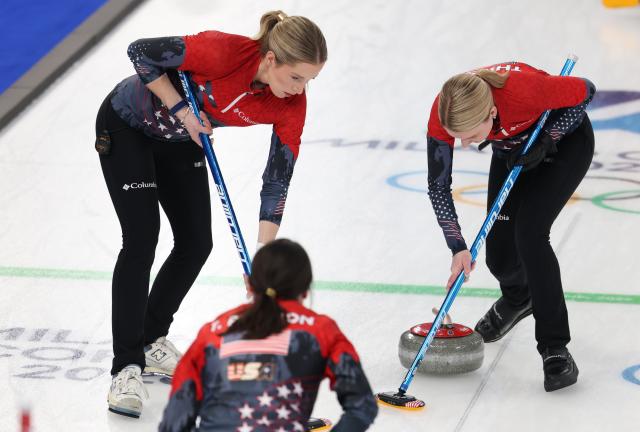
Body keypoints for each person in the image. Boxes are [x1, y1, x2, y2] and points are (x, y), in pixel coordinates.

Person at [95, 10, 327, 417]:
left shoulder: (291, 104)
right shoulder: (223, 51)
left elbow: (277, 179)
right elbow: (139, 53)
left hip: (180, 141)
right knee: (142, 237)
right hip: (128, 124)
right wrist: (185, 111)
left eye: (309, 80)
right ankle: (126, 365)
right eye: (297, 77)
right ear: (271, 59)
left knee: (196, 242)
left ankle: (150, 340)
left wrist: (263, 256)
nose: (301, 89)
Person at [426, 61, 595, 392]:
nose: (464, 145)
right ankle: (519, 299)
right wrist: (457, 245)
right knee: (500, 257)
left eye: (472, 137)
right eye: (457, 138)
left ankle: (554, 348)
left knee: (530, 235)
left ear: (491, 112)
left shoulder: (522, 90)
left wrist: (547, 139)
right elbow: (437, 185)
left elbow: (586, 90)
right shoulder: (445, 111)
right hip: (513, 151)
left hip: (565, 143)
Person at [158, 239, 378, 431]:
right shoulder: (321, 331)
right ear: (305, 289)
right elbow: (362, 406)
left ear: (251, 285)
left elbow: (175, 419)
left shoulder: (214, 331)